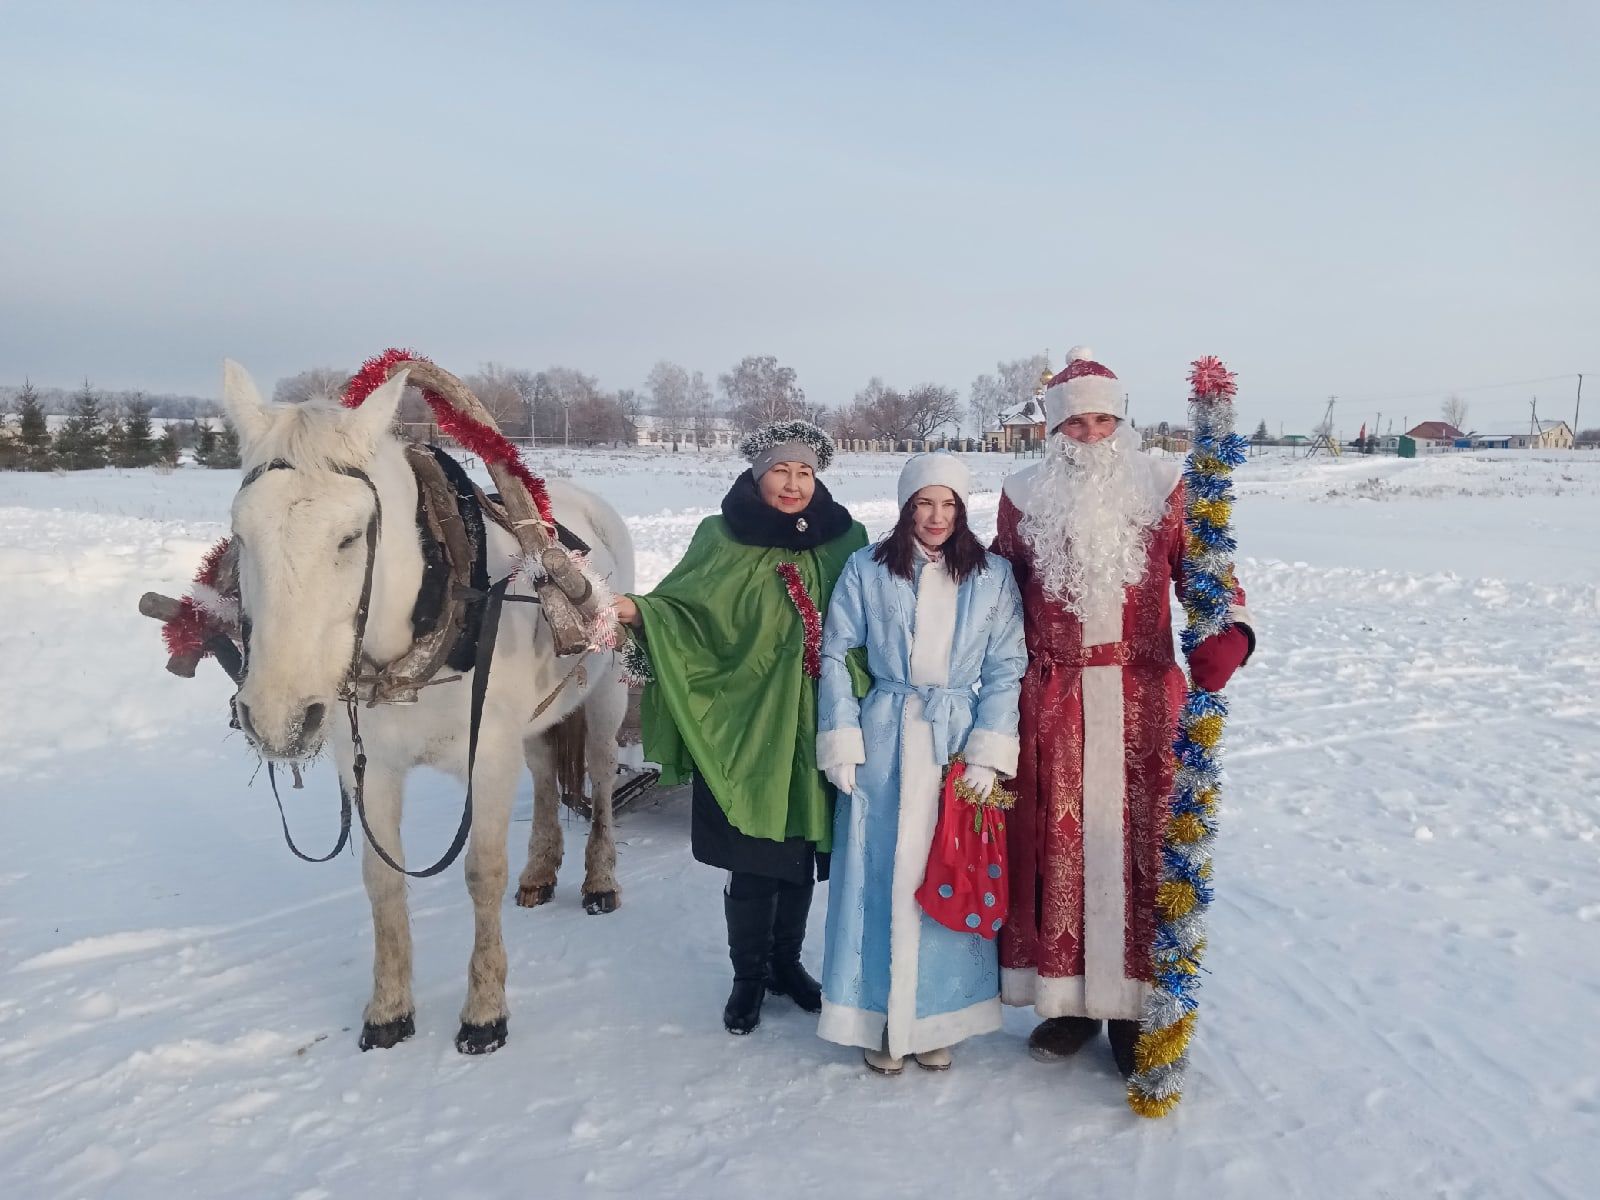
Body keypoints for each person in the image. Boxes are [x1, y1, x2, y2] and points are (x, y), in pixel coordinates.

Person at [990, 346, 1256, 1082]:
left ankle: (1137, 1008)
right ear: (1053, 430)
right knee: (1061, 848)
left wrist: (1228, 634)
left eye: (1106, 419)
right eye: (1077, 424)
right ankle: (1070, 1000)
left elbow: (1210, 574)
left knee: (1141, 847)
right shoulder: (1023, 495)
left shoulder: (1162, 487)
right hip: (1053, 701)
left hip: (1143, 696)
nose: (1093, 435)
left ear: (1123, 421)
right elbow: (996, 591)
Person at [613, 421, 867, 1035]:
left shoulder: (846, 539)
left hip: (821, 722)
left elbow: (877, 610)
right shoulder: (720, 537)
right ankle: (748, 977)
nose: (793, 483)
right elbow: (683, 609)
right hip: (748, 723)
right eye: (781, 470)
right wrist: (638, 612)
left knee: (803, 851)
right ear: (759, 475)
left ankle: (787, 964)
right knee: (756, 857)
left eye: (805, 472)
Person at [815, 453, 1027, 1075]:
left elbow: (1005, 668)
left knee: (949, 869)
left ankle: (936, 1016)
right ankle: (878, 1017)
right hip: (885, 738)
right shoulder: (868, 568)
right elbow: (834, 654)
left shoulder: (993, 577)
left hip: (955, 743)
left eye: (949, 505)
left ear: (963, 511)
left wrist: (989, 750)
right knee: (878, 876)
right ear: (907, 506)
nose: (937, 517)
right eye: (925, 503)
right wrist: (843, 736)